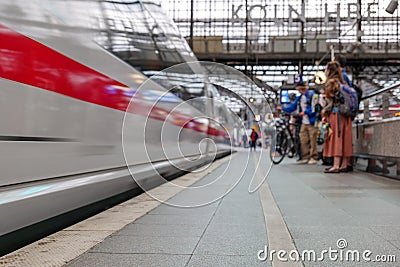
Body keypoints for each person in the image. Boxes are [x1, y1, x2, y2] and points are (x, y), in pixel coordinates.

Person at [322, 61, 354, 173]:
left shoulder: (331, 82)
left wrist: (324, 113)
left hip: (336, 115)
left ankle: (336, 165)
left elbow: (329, 102)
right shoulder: (343, 82)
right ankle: (344, 164)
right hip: (346, 115)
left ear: (329, 70)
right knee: (346, 139)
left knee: (337, 139)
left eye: (326, 69)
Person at [277, 81, 318, 164]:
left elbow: (315, 108)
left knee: (312, 139)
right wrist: (283, 109)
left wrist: (306, 112)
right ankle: (305, 156)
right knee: (303, 139)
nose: (298, 89)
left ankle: (314, 157)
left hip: (312, 121)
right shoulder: (299, 97)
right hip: (304, 121)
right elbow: (293, 107)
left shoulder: (313, 95)